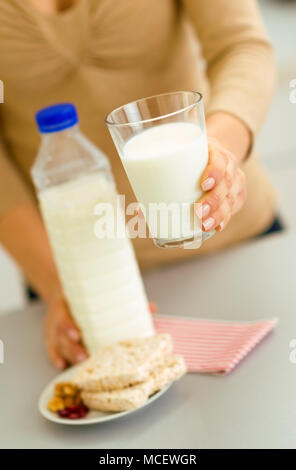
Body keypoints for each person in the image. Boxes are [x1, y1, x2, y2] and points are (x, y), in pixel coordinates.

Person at [0, 0, 277, 369]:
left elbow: (241, 46)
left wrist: (221, 151)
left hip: (234, 244)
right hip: (84, 281)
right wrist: (61, 288)